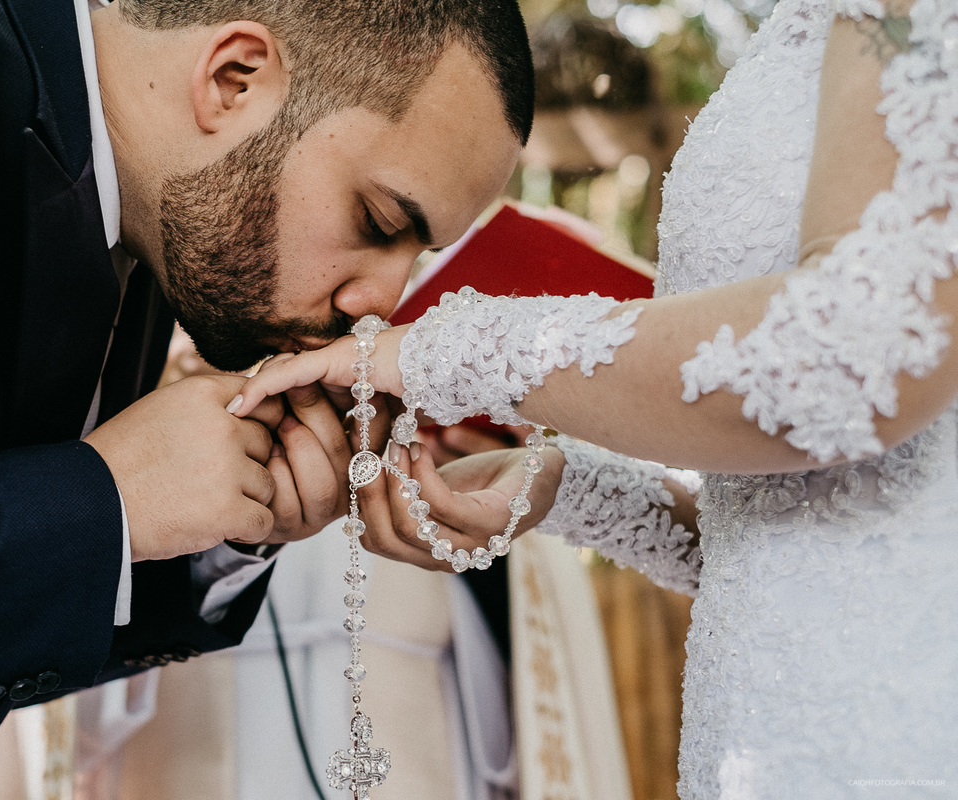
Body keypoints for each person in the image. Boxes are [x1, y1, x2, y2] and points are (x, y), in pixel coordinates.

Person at [0, 0, 534, 795]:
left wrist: (231, 531)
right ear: (234, 79)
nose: (382, 301)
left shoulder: (171, 215)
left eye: (420, 253)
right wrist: (108, 501)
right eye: (375, 220)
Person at [235, 0, 958, 795]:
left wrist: (444, 350)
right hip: (773, 716)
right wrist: (562, 485)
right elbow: (793, 539)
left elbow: (851, 359)